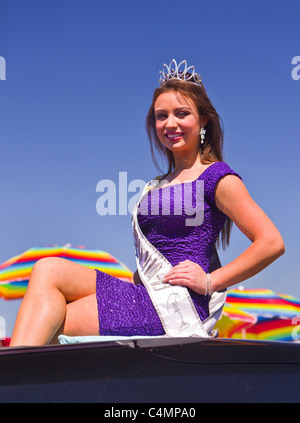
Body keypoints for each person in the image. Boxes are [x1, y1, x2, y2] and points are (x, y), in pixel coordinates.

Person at [10, 60, 285, 346]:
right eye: (161, 116)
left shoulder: (217, 177)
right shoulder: (155, 185)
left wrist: (210, 281)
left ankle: (15, 381)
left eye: (182, 114)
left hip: (176, 304)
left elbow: (271, 242)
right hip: (145, 292)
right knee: (48, 269)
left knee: (52, 320)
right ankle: (22, 379)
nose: (170, 124)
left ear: (203, 120)